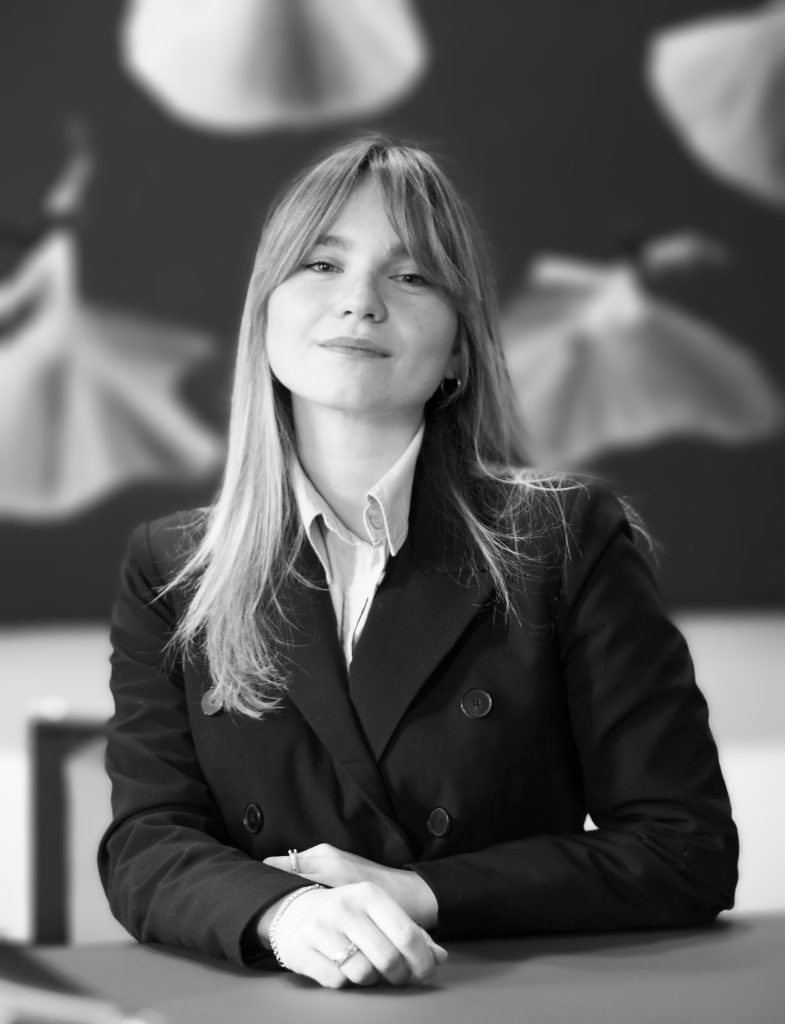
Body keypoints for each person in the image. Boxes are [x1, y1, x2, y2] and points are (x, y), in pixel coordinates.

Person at [98, 135, 738, 989]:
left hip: (502, 997)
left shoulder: (566, 537)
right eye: (321, 265)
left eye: (411, 276)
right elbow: (145, 844)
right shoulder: (174, 567)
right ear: (264, 314)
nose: (359, 303)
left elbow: (681, 848)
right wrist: (286, 915)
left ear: (460, 349)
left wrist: (416, 892)